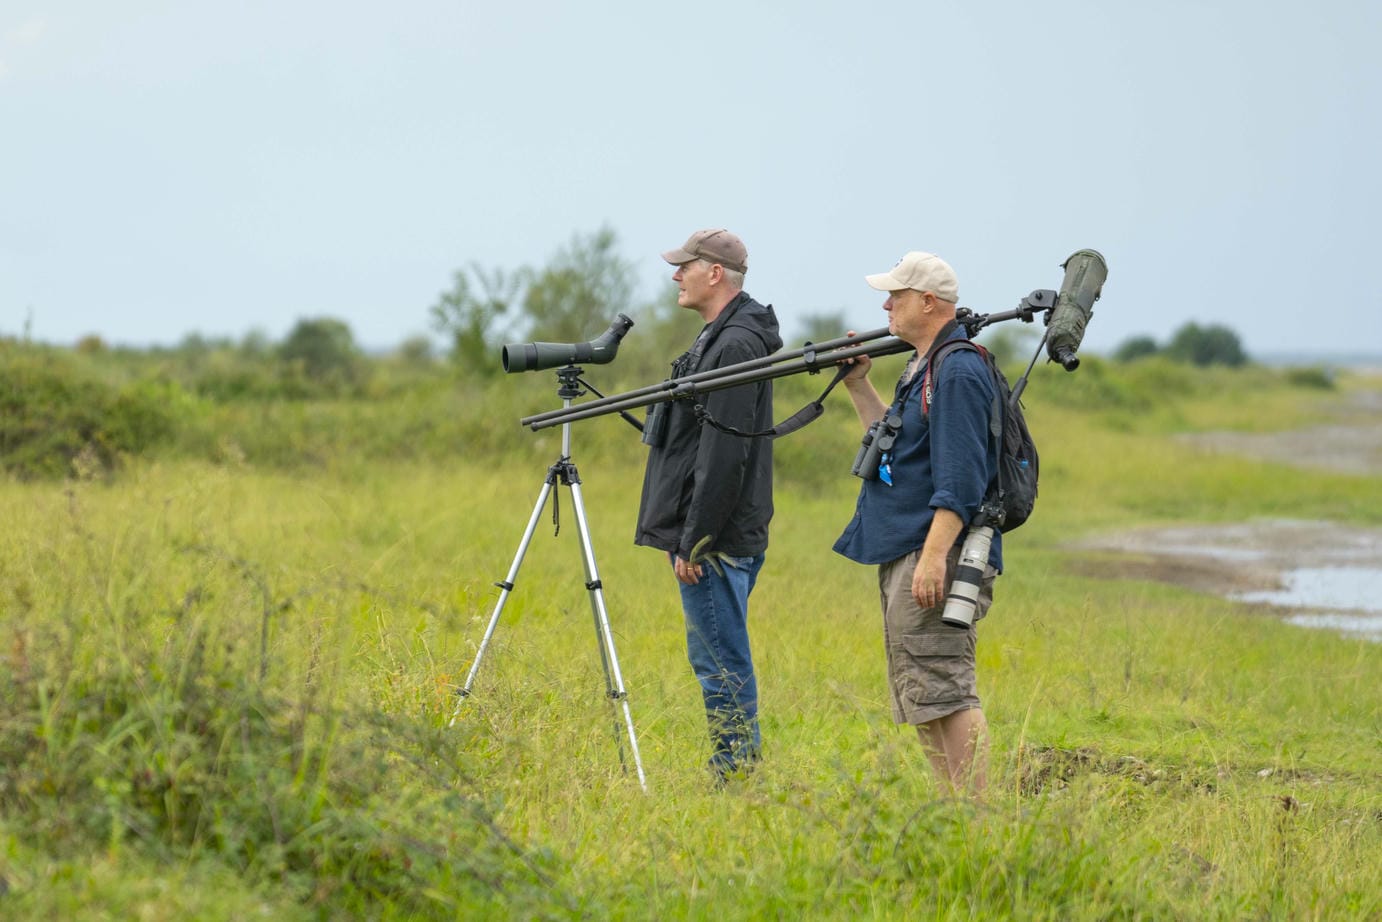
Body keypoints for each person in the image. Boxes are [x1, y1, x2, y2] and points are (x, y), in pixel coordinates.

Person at [833, 251, 1002, 795]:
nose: (886, 304)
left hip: (935, 553)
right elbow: (893, 450)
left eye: (897, 296)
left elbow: (962, 478)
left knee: (947, 687)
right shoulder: (923, 366)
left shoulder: (956, 369)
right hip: (907, 547)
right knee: (924, 692)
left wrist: (933, 558)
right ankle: (954, 812)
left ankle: (977, 817)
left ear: (928, 303)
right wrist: (859, 384)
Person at [634, 228, 782, 783]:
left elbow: (725, 453)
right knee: (719, 658)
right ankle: (736, 771)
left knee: (721, 664)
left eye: (684, 266)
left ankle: (736, 778)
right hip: (716, 531)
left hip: (715, 540)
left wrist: (695, 537)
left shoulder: (736, 344)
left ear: (714, 273)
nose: (676, 275)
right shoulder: (721, 336)